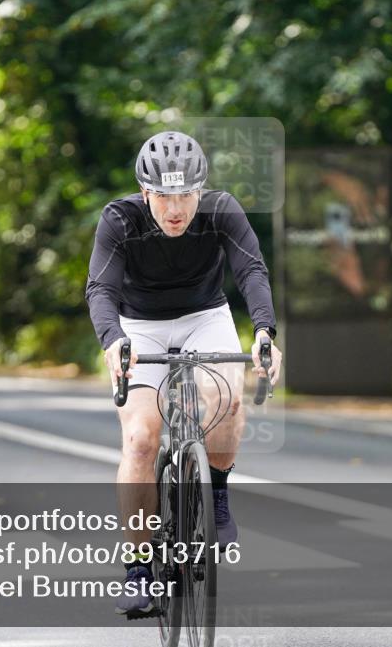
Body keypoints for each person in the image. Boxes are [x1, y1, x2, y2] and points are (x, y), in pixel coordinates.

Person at [85, 130, 283, 616]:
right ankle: (137, 569)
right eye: (165, 197)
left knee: (227, 401)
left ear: (201, 191)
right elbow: (100, 290)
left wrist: (263, 333)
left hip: (205, 317)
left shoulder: (222, 211)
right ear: (146, 192)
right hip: (138, 325)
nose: (176, 209)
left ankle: (215, 492)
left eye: (186, 196)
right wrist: (113, 341)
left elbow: (252, 271)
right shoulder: (120, 219)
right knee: (140, 440)